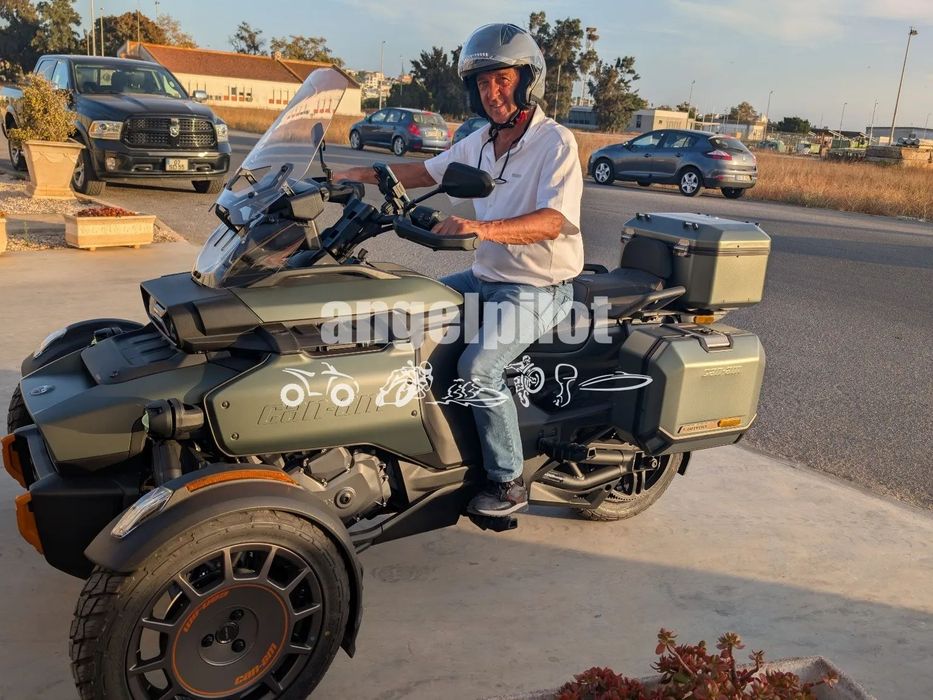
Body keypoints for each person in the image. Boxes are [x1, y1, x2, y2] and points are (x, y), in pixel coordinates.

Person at [331, 23, 583, 517]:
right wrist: (350, 174)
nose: (492, 93)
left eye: (502, 80)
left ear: (527, 80)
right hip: (485, 278)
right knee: (405, 317)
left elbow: (554, 221)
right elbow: (425, 172)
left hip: (537, 288)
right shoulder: (481, 142)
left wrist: (478, 227)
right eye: (483, 83)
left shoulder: (555, 143)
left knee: (479, 369)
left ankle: (508, 482)